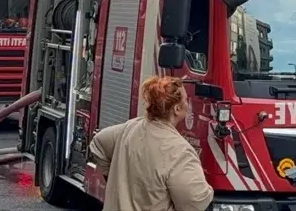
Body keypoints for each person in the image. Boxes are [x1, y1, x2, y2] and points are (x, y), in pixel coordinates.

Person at [90, 75, 213, 211]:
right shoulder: (180, 151)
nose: (187, 103)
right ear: (177, 109)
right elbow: (196, 201)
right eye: (185, 100)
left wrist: (114, 180)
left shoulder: (130, 128)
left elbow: (98, 142)